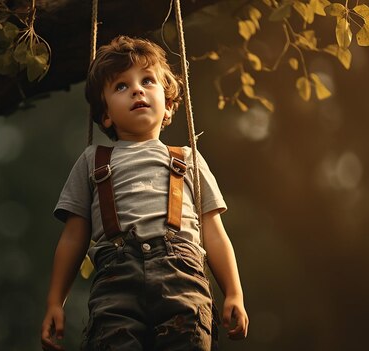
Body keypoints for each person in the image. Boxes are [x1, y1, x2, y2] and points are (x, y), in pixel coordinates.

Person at [41, 35, 248, 351]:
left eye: (147, 80)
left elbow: (214, 233)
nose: (137, 89)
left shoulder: (187, 158)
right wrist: (56, 301)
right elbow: (73, 237)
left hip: (182, 278)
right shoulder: (93, 161)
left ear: (167, 106)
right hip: (115, 282)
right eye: (121, 86)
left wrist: (233, 291)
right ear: (106, 114)